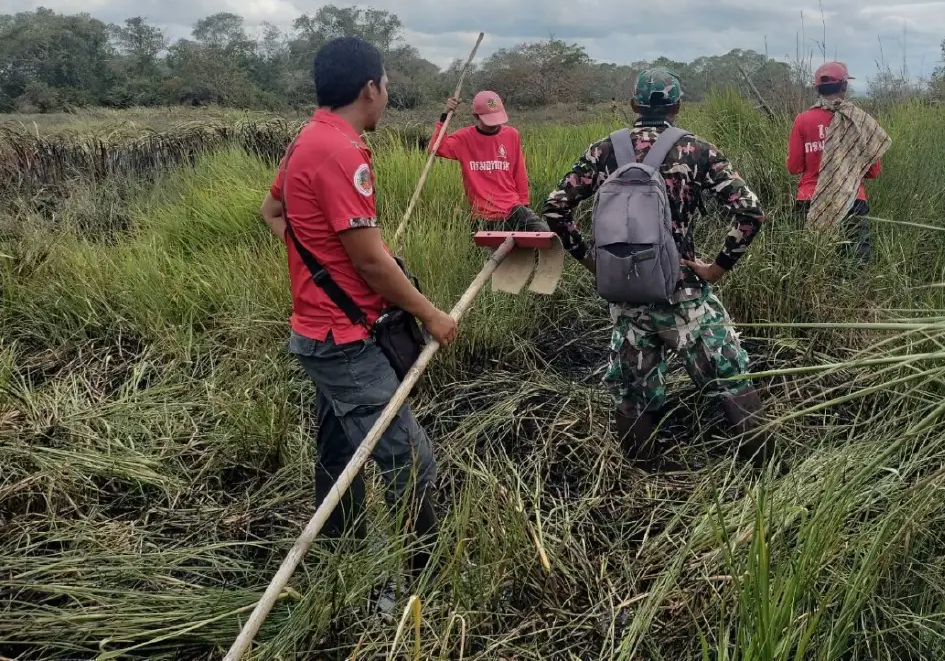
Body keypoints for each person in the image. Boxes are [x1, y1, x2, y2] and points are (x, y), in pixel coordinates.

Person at [258, 36, 458, 608]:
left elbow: (274, 213)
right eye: (387, 85)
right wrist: (431, 315)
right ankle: (416, 584)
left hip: (323, 330)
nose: (387, 96)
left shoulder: (308, 138)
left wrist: (320, 264)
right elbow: (371, 261)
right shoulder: (340, 150)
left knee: (340, 454)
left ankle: (336, 561)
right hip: (343, 341)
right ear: (370, 88)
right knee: (410, 459)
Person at [543, 68, 773, 465]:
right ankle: (769, 470)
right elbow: (751, 213)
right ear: (678, 107)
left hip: (627, 294)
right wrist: (717, 268)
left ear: (634, 105)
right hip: (682, 291)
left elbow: (555, 208)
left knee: (632, 389)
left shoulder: (604, 150)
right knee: (730, 375)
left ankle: (639, 477)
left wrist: (591, 262)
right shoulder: (696, 150)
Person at [787, 61, 890, 263]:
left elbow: (794, 167)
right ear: (844, 86)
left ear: (817, 89)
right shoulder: (861, 121)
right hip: (852, 200)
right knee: (856, 264)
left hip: (809, 199)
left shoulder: (802, 120)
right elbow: (873, 171)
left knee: (808, 263)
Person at [431, 90, 549, 232]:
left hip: (513, 207)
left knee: (544, 234)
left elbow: (519, 171)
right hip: (484, 214)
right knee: (495, 248)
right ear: (476, 116)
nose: (494, 124)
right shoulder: (464, 138)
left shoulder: (512, 134)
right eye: (490, 120)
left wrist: (524, 204)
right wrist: (445, 115)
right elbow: (436, 148)